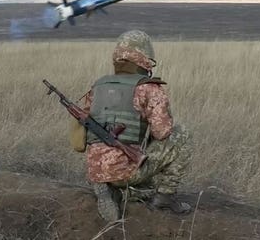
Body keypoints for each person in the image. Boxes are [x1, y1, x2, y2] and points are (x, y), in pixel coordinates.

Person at [71, 30, 193, 221]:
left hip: (95, 169)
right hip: (127, 170)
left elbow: (80, 138)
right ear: (143, 56)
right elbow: (162, 133)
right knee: (181, 134)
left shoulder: (98, 87)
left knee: (128, 168)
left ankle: (108, 186)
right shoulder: (149, 89)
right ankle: (164, 196)